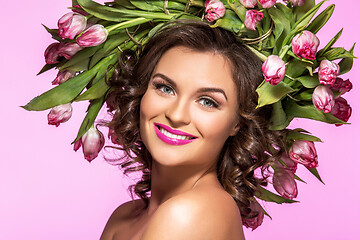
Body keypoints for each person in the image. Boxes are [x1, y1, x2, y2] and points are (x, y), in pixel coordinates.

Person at [100, 21, 284, 240]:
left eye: (207, 102)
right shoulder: (125, 216)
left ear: (238, 121)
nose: (177, 115)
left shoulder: (189, 214)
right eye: (165, 88)